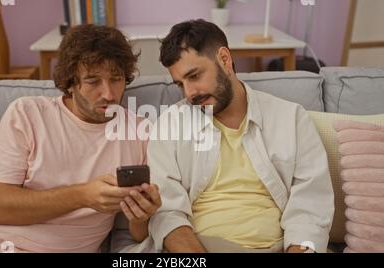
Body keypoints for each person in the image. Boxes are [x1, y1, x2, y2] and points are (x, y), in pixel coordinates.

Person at [0, 24, 161, 253]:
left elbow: (139, 233)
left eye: (116, 79)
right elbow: (0, 208)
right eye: (93, 81)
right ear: (70, 82)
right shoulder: (27, 113)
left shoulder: (140, 130)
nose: (109, 94)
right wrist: (84, 195)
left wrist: (142, 214)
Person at [142, 19, 334, 253]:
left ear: (224, 59)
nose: (190, 93)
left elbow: (311, 211)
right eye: (180, 84)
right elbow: (167, 214)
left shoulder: (290, 118)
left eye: (194, 76)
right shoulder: (170, 124)